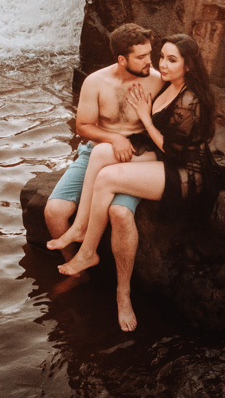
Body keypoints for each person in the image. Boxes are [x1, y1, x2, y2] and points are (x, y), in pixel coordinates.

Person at [56, 34, 217, 311]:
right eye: (162, 57)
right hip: (166, 157)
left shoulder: (191, 98)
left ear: (188, 65)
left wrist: (144, 116)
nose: (161, 65)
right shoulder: (167, 84)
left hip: (184, 171)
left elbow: (175, 151)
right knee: (101, 152)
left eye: (171, 60)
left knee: (108, 178)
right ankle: (81, 226)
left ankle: (89, 253)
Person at [43, 22, 163, 332]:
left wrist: (131, 144)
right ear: (122, 59)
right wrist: (114, 139)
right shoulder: (96, 82)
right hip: (97, 151)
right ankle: (79, 272)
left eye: (150, 53)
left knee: (119, 214)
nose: (150, 62)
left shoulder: (157, 82)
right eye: (141, 57)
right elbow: (84, 126)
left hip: (137, 158)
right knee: (54, 212)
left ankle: (123, 295)